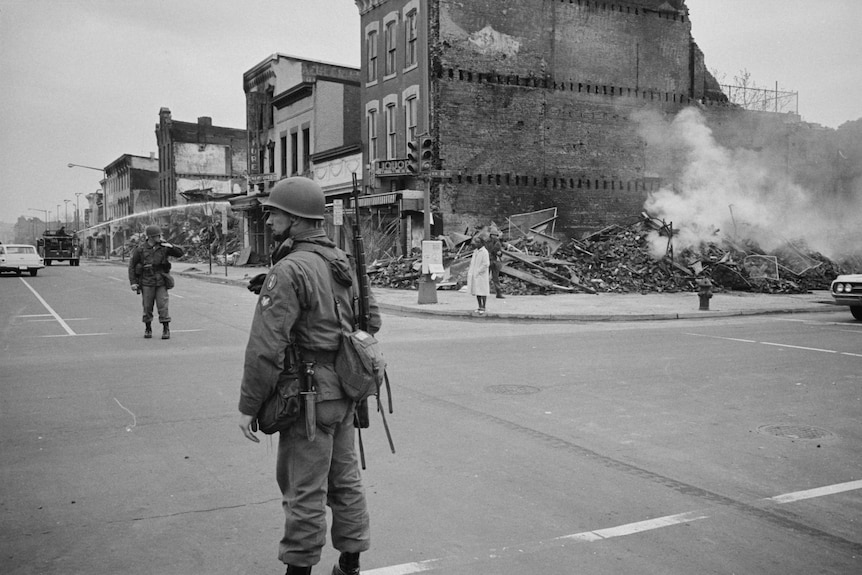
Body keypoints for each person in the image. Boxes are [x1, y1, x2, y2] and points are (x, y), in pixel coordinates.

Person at [238, 176, 381, 575]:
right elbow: (373, 321)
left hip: (309, 397)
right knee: (345, 481)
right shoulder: (341, 261)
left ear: (297, 219)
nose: (268, 221)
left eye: (275, 213)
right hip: (345, 392)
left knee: (304, 491)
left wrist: (249, 406)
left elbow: (265, 348)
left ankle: (297, 570)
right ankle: (349, 564)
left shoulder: (289, 270)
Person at [128, 225, 183, 339]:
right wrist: (133, 282)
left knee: (163, 306)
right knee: (147, 306)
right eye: (158, 235)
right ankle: (148, 328)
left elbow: (180, 253)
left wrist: (170, 245)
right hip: (146, 281)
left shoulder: (163, 247)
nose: (160, 237)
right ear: (151, 237)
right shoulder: (140, 249)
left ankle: (166, 329)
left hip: (161, 281)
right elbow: (132, 266)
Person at [466, 233, 490, 314]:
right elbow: (472, 263)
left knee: (483, 291)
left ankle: (484, 306)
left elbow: (486, 264)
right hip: (475, 274)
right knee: (477, 291)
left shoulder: (484, 252)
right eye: (475, 242)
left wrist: (479, 271)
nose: (476, 244)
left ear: (482, 243)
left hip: (481, 274)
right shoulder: (475, 252)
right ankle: (479, 306)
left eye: (478, 242)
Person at [486, 224, 506, 299]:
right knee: (485, 277)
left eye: (496, 235)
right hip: (487, 261)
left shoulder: (497, 242)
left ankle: (498, 293)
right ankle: (483, 292)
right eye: (493, 235)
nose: (495, 237)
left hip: (494, 261)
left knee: (496, 278)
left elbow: (499, 252)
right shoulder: (487, 242)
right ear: (491, 235)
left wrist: (500, 253)